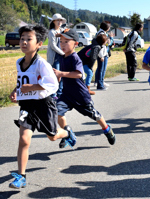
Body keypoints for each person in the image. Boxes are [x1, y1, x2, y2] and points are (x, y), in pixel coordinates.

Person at [8, 25, 76, 189]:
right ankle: (21, 176)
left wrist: (31, 87)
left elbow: (52, 85)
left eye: (28, 39)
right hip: (26, 105)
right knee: (24, 139)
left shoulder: (42, 64)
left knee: (52, 136)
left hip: (44, 104)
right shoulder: (19, 62)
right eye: (22, 38)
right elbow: (22, 81)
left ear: (39, 44)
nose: (24, 42)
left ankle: (67, 133)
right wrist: (15, 91)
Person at [53, 29, 116, 148]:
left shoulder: (74, 57)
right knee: (57, 112)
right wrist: (58, 79)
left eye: (66, 41)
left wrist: (61, 73)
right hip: (67, 95)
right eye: (61, 41)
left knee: (95, 115)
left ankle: (107, 129)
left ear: (75, 44)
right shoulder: (62, 57)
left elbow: (79, 74)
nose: (62, 44)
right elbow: (61, 75)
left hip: (80, 96)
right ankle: (68, 133)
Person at [47, 13, 66, 100]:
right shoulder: (51, 32)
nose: (59, 22)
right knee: (55, 76)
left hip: (61, 56)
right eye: (57, 20)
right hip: (55, 57)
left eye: (60, 20)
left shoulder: (62, 31)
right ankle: (53, 94)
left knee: (61, 74)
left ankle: (60, 92)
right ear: (53, 22)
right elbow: (53, 46)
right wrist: (63, 53)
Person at [95, 21, 111, 90]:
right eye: (109, 26)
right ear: (106, 27)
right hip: (101, 55)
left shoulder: (103, 33)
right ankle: (100, 85)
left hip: (104, 54)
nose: (109, 28)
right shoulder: (101, 34)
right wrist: (101, 56)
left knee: (102, 69)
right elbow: (99, 46)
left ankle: (101, 83)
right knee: (101, 70)